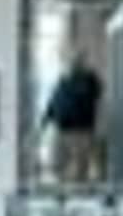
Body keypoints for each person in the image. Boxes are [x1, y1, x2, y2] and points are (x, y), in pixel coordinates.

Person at [39, 51, 106, 183]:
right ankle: (69, 189)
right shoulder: (67, 81)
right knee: (69, 164)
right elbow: (53, 101)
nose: (74, 64)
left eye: (76, 61)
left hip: (77, 129)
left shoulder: (86, 80)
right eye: (73, 61)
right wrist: (45, 121)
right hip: (71, 129)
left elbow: (53, 102)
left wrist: (45, 121)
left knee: (76, 165)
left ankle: (74, 191)